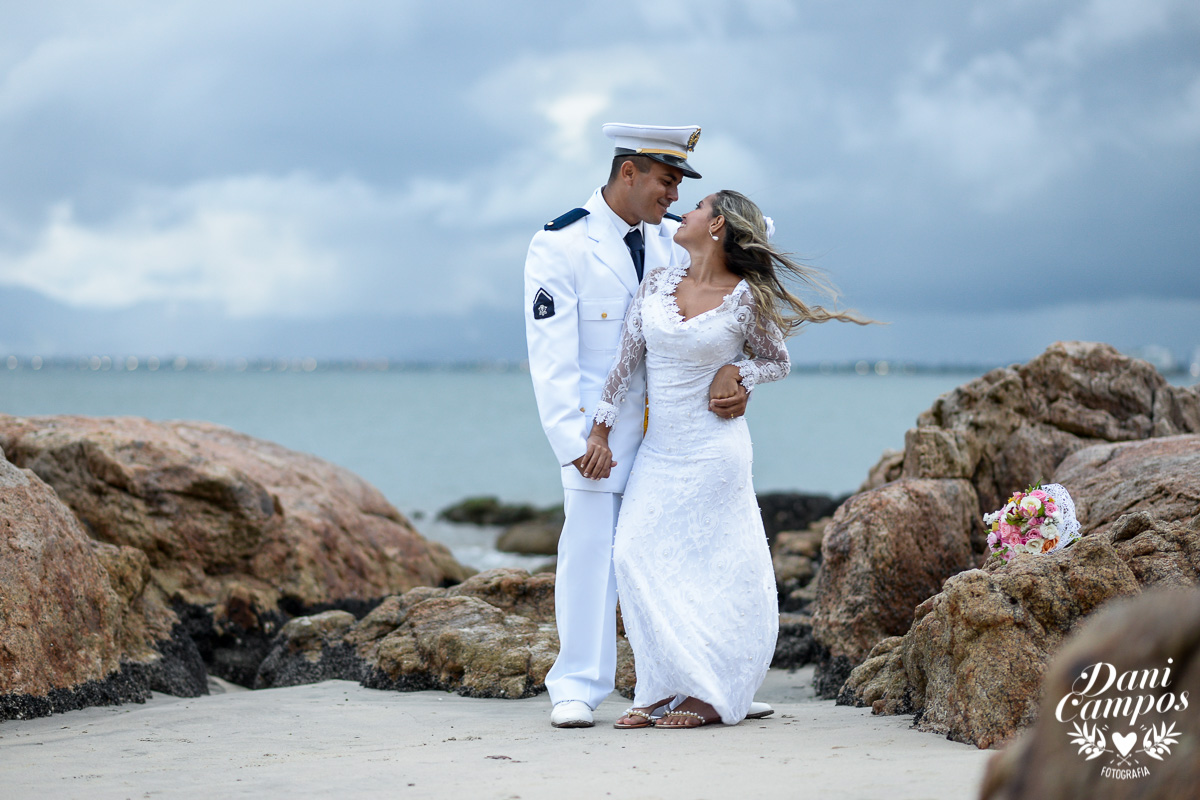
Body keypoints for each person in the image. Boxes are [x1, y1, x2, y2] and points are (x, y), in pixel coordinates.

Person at [580, 190, 870, 728]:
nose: (681, 212)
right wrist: (598, 432)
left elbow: (777, 361)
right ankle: (659, 686)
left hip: (716, 452)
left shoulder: (744, 299)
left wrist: (740, 373)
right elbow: (623, 365)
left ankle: (708, 695)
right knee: (634, 555)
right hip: (661, 451)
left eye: (694, 207)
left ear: (716, 226)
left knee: (715, 569)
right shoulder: (657, 285)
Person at [524, 123, 755, 729]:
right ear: (629, 171)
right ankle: (576, 685)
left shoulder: (669, 243)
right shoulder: (560, 245)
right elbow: (551, 359)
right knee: (594, 553)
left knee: (682, 555)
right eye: (666, 179)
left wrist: (737, 371)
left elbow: (720, 295)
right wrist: (575, 445)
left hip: (674, 437)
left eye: (680, 184)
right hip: (597, 437)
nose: (673, 195)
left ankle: (709, 679)